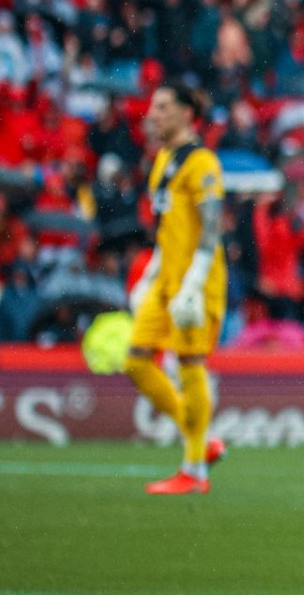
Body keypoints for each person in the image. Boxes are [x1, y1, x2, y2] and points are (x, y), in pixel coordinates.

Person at [124, 80, 228, 495]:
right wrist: (149, 276)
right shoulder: (163, 159)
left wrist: (194, 281)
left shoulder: (202, 161)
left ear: (188, 112)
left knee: (189, 365)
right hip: (165, 278)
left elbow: (212, 225)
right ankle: (203, 442)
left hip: (196, 282)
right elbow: (168, 227)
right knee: (136, 361)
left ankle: (194, 471)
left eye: (163, 107)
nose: (153, 114)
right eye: (153, 107)